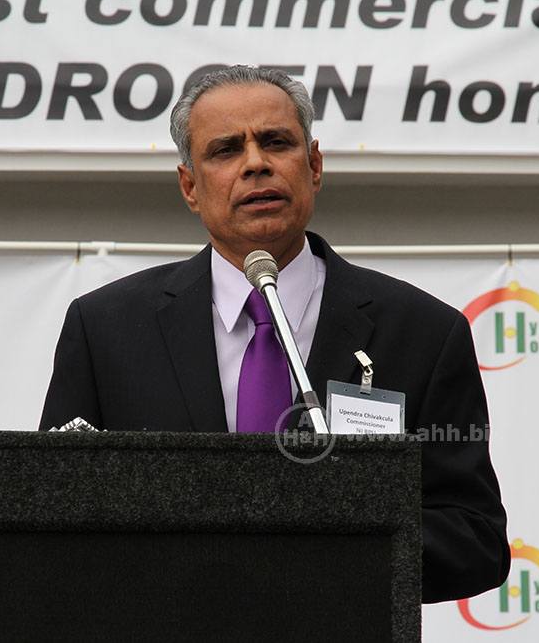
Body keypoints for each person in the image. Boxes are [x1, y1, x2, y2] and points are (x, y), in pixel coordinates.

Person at [40, 65, 510, 603]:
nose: (256, 164)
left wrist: (332, 547)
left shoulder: (424, 332)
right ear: (190, 186)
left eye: (275, 142)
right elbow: (54, 513)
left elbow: (476, 541)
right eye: (225, 150)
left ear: (313, 166)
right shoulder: (106, 331)